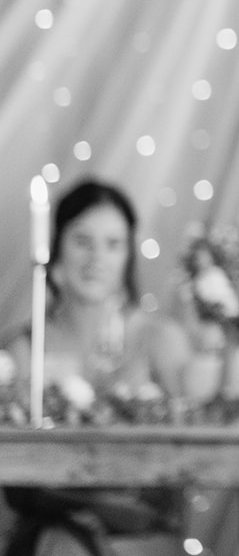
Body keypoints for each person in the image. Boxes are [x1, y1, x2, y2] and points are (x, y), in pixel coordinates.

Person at [3, 178, 192, 556]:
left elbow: (190, 445)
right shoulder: (24, 347)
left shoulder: (160, 338)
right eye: (82, 242)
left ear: (128, 255)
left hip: (140, 527)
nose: (97, 260)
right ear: (57, 247)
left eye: (113, 244)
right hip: (52, 525)